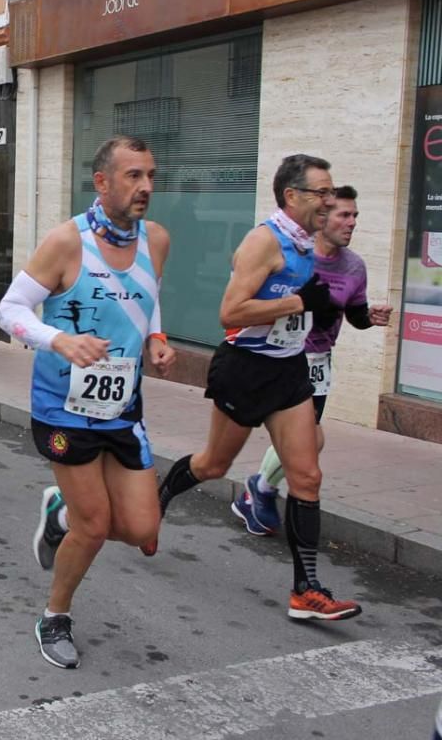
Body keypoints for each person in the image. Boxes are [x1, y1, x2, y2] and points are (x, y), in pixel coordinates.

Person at [154, 153, 363, 621]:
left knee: (307, 476)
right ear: (292, 196)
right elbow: (230, 313)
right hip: (244, 369)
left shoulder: (306, 241)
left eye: (332, 193)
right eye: (321, 193)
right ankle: (159, 497)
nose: (329, 201)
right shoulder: (262, 242)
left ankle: (306, 590)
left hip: (288, 371)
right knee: (213, 464)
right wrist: (296, 302)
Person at [0, 135, 173, 669]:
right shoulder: (67, 242)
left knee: (143, 529)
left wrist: (156, 341)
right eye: (132, 176)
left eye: (150, 175)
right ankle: (56, 615)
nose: (144, 187)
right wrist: (59, 340)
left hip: (121, 405)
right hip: (62, 406)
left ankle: (58, 514)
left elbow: (146, 300)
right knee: (94, 525)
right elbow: (9, 310)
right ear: (102, 182)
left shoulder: (157, 240)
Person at [232, 185, 393, 535]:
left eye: (355, 216)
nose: (351, 223)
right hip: (279, 357)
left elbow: (354, 314)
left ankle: (259, 489)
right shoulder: (296, 257)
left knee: (307, 440)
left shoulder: (354, 267)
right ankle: (258, 489)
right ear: (322, 219)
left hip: (318, 361)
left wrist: (370, 317)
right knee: (309, 440)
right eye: (343, 215)